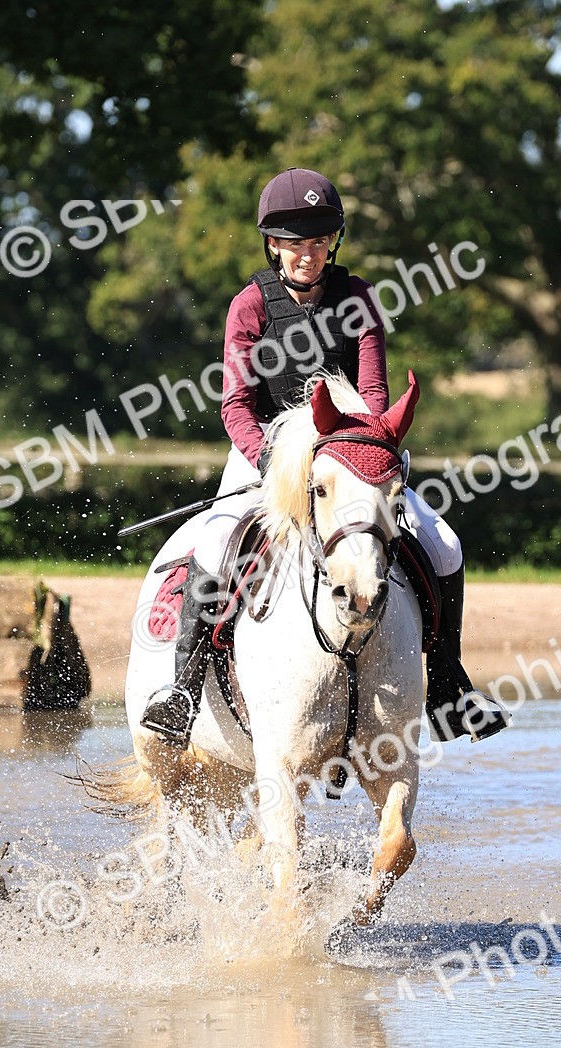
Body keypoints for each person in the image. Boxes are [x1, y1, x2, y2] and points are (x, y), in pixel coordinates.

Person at [141, 168, 508, 747]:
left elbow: (375, 394)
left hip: (351, 450)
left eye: (317, 244)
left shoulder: (357, 297)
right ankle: (185, 691)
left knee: (442, 542)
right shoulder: (249, 307)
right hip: (265, 450)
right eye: (294, 245)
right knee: (214, 543)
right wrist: (270, 461)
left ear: (331, 244)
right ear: (273, 245)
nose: (307, 257)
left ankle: (446, 684)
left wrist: (363, 448)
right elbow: (235, 404)